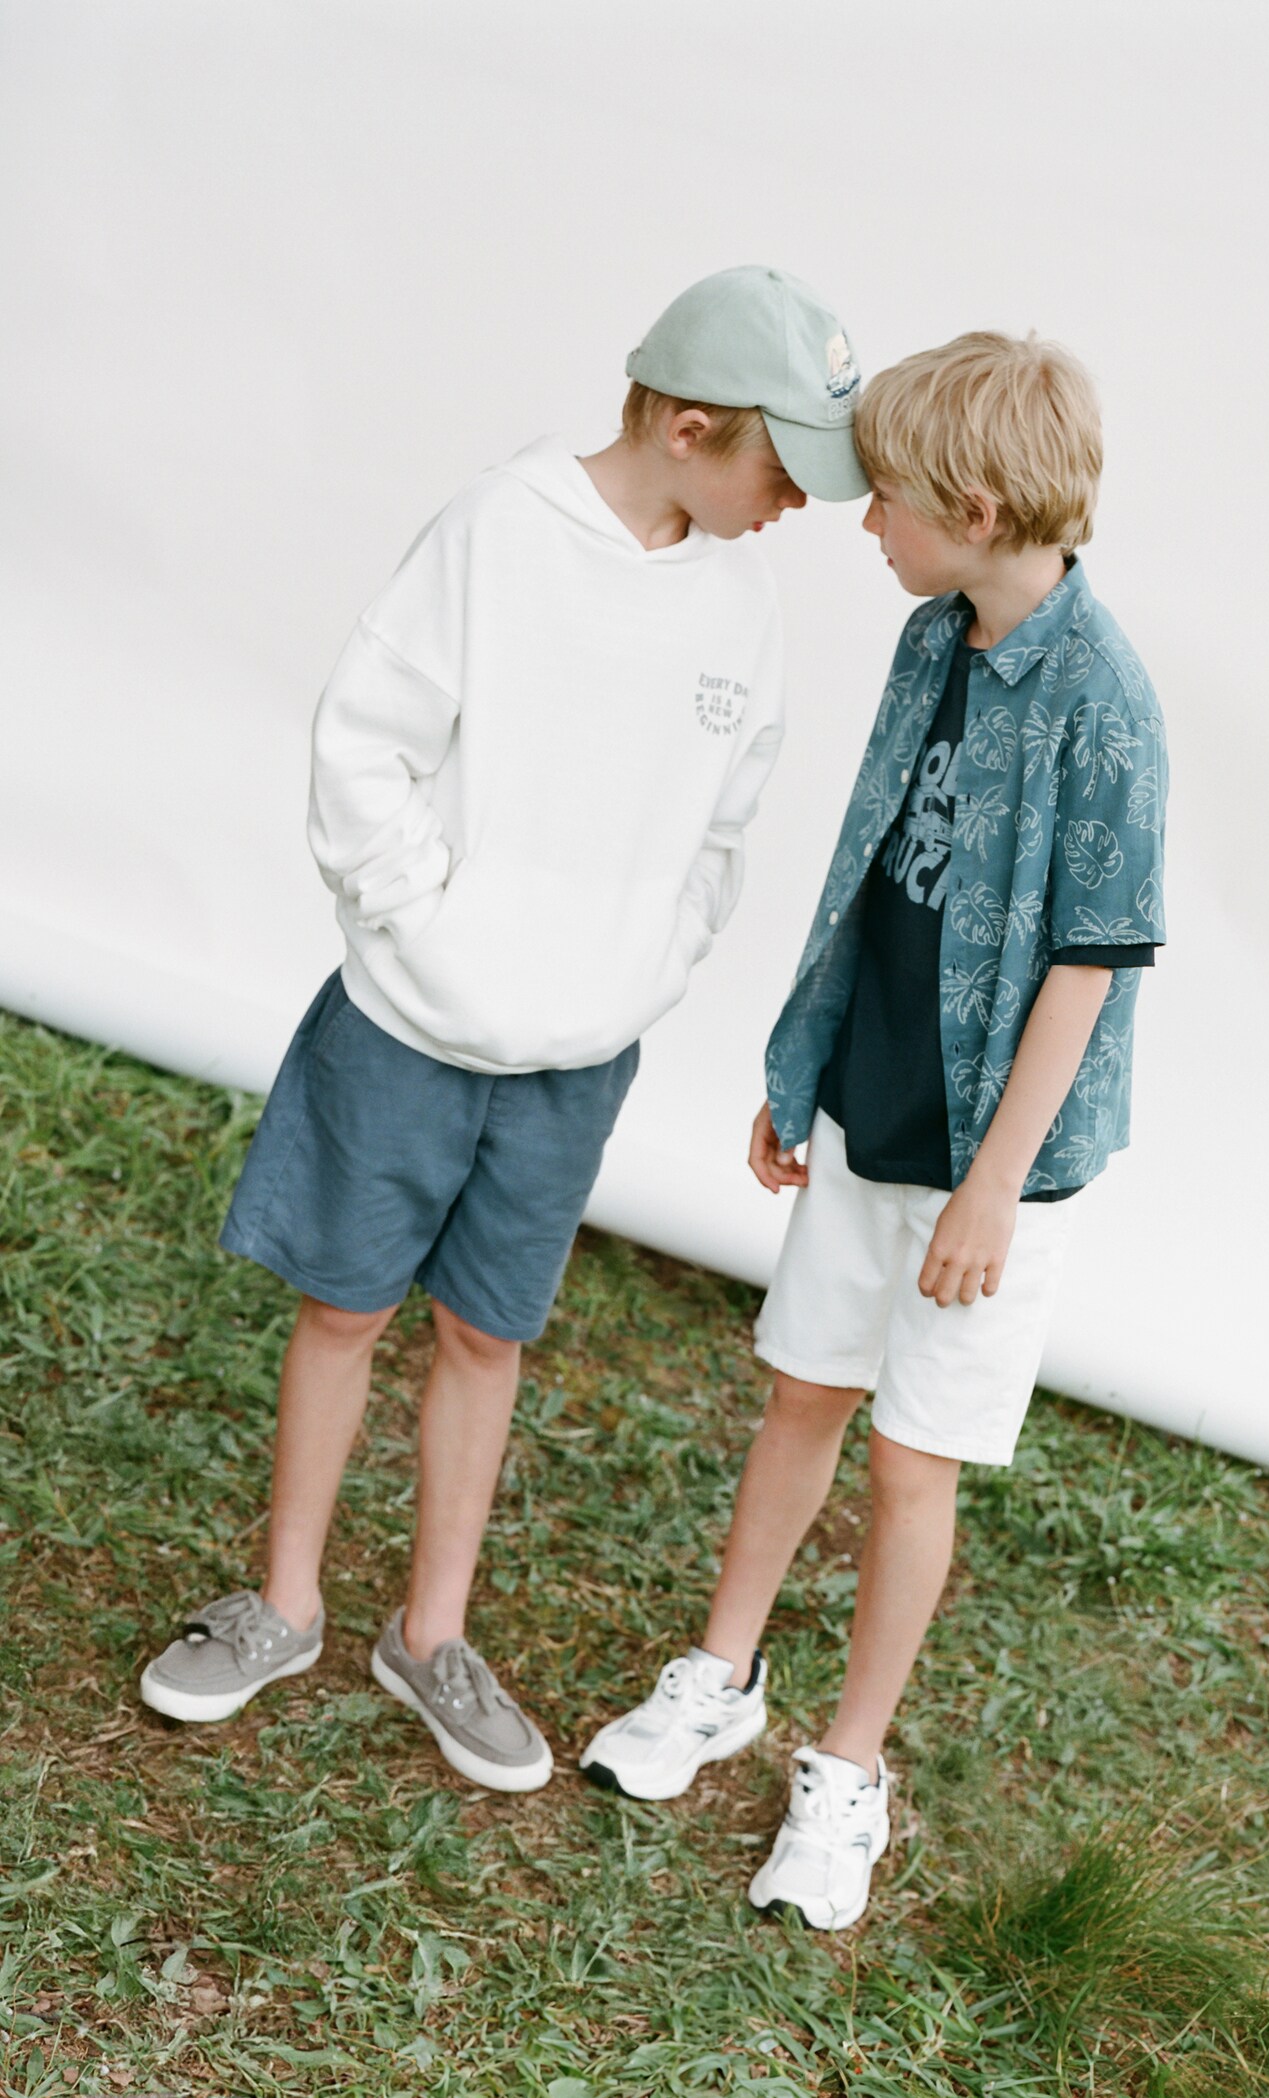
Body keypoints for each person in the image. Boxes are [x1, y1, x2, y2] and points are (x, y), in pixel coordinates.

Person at [137, 267, 869, 1793]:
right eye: (783, 466)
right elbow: (365, 750)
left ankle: (433, 1632)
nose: (798, 502)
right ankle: (285, 1601)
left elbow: (723, 827)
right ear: (688, 426)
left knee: (488, 1331)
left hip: (574, 1065)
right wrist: (430, 931)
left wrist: (642, 966)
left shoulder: (742, 601)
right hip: (407, 1030)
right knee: (345, 1307)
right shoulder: (495, 534)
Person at [581, 331, 1168, 1925]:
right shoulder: (932, 639)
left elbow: (1090, 965)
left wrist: (991, 1189)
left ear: (975, 509)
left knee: (913, 1460)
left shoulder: (1107, 706)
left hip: (990, 1168)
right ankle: (723, 1672)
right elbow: (868, 866)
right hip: (870, 1107)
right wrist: (806, 1061)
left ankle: (849, 1765)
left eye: (889, 499)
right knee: (804, 1392)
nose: (866, 522)